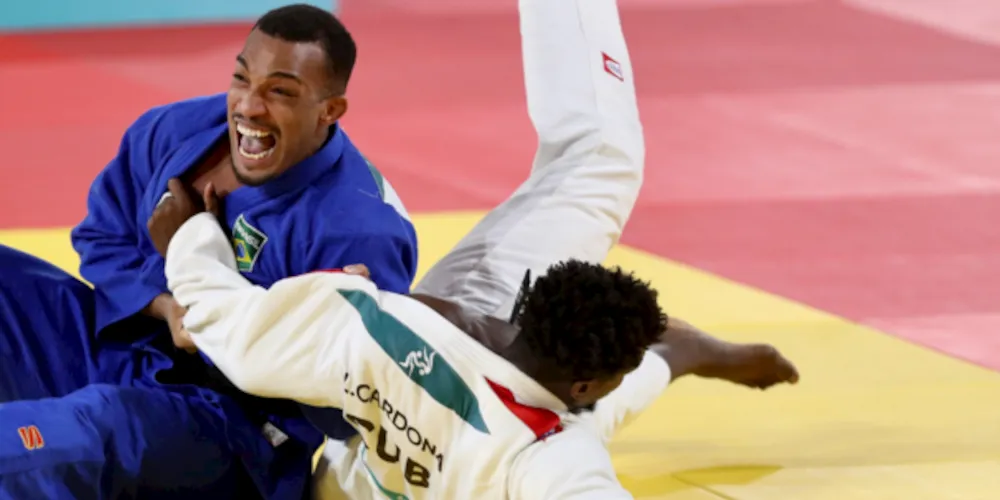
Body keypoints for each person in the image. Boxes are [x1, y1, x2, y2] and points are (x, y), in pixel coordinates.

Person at [147, 0, 799, 497]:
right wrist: (192, 244)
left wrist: (190, 239)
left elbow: (235, 329)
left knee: (596, 165)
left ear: (524, 310)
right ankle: (677, 351)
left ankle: (675, 351)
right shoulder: (552, 457)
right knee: (596, 397)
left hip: (378, 428)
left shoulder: (368, 323)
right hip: (467, 436)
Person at [0, 4, 415, 499]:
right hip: (127, 347)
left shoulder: (359, 232)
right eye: (242, 79)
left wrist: (237, 321)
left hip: (231, 432)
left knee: (63, 435)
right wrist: (167, 307)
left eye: (280, 92)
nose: (249, 107)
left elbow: (354, 411)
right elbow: (100, 238)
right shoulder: (177, 131)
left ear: (330, 110)